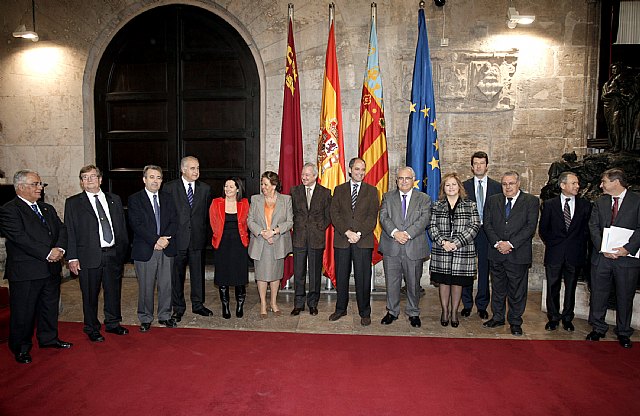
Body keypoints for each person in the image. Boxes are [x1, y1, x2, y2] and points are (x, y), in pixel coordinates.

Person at [0, 170, 71, 364]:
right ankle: (21, 347)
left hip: (51, 269)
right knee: (23, 311)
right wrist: (48, 252)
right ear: (20, 187)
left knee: (49, 307)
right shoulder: (9, 210)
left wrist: (61, 248)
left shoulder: (46, 208)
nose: (40, 187)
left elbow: (62, 228)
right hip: (27, 272)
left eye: (40, 184)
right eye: (35, 184)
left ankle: (49, 338)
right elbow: (21, 238)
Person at [64, 165, 129, 343]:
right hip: (88, 257)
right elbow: (70, 231)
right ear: (81, 182)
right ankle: (91, 327)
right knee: (90, 294)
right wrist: (72, 257)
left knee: (113, 291)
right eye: (85, 177)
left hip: (113, 254)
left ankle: (113, 323)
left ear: (100, 179)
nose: (89, 180)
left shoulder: (114, 199)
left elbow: (121, 228)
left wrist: (122, 252)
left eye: (93, 176)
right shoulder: (73, 203)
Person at [587, 168, 640, 348]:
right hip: (602, 258)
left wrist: (627, 248)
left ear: (616, 182)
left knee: (625, 296)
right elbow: (593, 226)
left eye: (604, 182)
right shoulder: (600, 202)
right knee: (598, 294)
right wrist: (603, 248)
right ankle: (598, 327)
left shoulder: (637, 201)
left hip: (627, 259)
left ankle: (623, 331)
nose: (601, 185)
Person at [482, 171, 539, 336]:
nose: (508, 187)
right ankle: (498, 317)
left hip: (518, 254)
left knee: (517, 291)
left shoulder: (531, 201)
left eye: (511, 183)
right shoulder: (493, 200)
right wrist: (498, 243)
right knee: (498, 288)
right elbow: (487, 223)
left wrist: (510, 244)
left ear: (518, 183)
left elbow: (530, 227)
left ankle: (515, 321)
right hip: (497, 252)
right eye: (505, 184)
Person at [329, 158, 379, 326]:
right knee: (341, 276)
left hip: (362, 241)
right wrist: (347, 232)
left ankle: (364, 312)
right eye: (357, 169)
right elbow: (334, 213)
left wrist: (357, 233)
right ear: (350, 170)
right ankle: (340, 308)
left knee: (363, 278)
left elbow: (372, 217)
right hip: (342, 240)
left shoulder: (372, 191)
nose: (360, 172)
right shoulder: (339, 189)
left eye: (363, 169)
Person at [128, 165, 178, 332]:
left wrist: (164, 240)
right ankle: (145, 317)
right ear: (144, 179)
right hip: (145, 249)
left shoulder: (168, 198)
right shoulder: (135, 199)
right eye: (152, 177)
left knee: (166, 285)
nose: (155, 181)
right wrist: (155, 240)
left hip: (166, 248)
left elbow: (174, 220)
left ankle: (165, 315)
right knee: (146, 286)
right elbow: (136, 224)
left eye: (158, 178)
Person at [379, 166, 431, 328]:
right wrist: (395, 233)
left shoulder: (424, 198)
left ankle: (413, 312)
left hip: (413, 246)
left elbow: (424, 219)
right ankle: (392, 311)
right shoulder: (388, 197)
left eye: (407, 178)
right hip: (392, 245)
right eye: (401, 178)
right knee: (392, 282)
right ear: (396, 181)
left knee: (413, 283)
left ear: (413, 180)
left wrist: (407, 234)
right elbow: (383, 216)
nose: (404, 181)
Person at [538, 171, 590, 332]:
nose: (577, 186)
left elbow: (586, 231)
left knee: (571, 287)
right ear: (563, 185)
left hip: (575, 254)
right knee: (553, 287)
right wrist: (555, 245)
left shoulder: (585, 205)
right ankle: (553, 318)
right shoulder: (549, 204)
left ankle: (568, 318)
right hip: (554, 253)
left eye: (577, 183)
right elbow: (543, 230)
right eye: (573, 183)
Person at [428, 173, 480, 328]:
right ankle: (444, 311)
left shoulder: (470, 205)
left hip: (462, 251)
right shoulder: (437, 205)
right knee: (444, 282)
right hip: (442, 250)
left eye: (454, 184)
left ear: (459, 187)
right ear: (443, 188)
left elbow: (475, 225)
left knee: (457, 282)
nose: (451, 187)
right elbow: (431, 226)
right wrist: (443, 242)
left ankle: (454, 312)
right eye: (447, 185)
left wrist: (456, 243)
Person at [164, 156, 213, 322]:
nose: (196, 171)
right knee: (176, 275)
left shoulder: (205, 189)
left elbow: (206, 215)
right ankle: (178, 307)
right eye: (192, 168)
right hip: (177, 239)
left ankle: (198, 304)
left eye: (198, 168)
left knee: (197, 273)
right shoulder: (170, 188)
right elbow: (166, 215)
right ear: (183, 170)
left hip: (197, 239)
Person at [461, 151, 501, 320]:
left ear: (487, 166)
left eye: (481, 163)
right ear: (471, 167)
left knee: (485, 270)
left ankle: (482, 305)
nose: (478, 166)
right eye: (475, 163)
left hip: (488, 233)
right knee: (466, 269)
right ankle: (467, 304)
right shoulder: (464, 186)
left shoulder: (496, 187)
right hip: (469, 233)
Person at [247, 171, 293, 318]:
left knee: (275, 275)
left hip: (277, 242)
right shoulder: (255, 199)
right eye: (262, 184)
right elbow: (250, 221)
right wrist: (262, 233)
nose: (263, 187)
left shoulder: (286, 200)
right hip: (260, 242)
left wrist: (273, 232)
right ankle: (262, 304)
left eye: (265, 184)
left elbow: (289, 222)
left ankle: (273, 303)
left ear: (274, 185)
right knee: (261, 275)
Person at [290, 163, 332, 316]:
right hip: (299, 238)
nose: (304, 177)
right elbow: (292, 213)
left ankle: (313, 304)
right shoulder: (294, 191)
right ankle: (298, 304)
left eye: (307, 175)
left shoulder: (325, 193)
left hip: (316, 238)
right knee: (299, 272)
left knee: (314, 273)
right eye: (303, 174)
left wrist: (320, 227)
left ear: (315, 176)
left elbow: (329, 215)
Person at [209, 177, 250, 318]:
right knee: (223, 276)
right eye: (226, 186)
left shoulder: (244, 203)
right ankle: (225, 306)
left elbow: (246, 223)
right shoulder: (216, 203)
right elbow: (213, 223)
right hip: (222, 243)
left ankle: (240, 305)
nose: (227, 189)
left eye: (231, 187)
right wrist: (218, 236)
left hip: (239, 244)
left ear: (238, 189)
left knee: (239, 276)